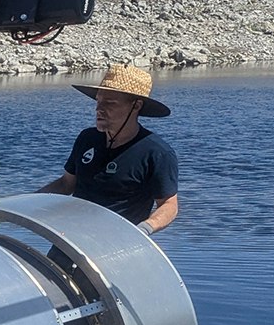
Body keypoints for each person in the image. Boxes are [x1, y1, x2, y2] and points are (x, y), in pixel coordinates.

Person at [40, 63, 179, 234]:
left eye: (109, 103)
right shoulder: (87, 138)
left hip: (116, 243)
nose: (99, 109)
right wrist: (29, 201)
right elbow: (66, 184)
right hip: (73, 239)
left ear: (136, 106)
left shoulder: (156, 153)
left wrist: (144, 229)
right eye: (98, 101)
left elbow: (169, 205)